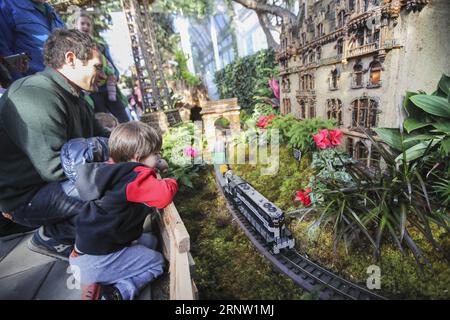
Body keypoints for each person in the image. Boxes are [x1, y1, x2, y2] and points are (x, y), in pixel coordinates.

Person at [0, 29, 110, 259]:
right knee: (115, 188)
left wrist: (138, 146)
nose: (102, 76)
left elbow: (107, 139)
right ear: (71, 59)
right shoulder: (34, 95)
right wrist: (116, 166)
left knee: (122, 179)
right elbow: (54, 168)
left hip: (54, 185)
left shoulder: (76, 98)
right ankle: (53, 236)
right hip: (25, 198)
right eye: (97, 67)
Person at [67, 121, 178, 300]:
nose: (159, 157)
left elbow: (138, 176)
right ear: (137, 157)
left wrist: (154, 165)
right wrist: (170, 180)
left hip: (84, 253)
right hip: (96, 261)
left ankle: (102, 278)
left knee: (150, 241)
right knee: (156, 262)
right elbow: (163, 195)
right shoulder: (135, 177)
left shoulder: (112, 170)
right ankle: (116, 292)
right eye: (156, 154)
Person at [73, 11, 131, 123]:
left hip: (109, 89)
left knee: (123, 118)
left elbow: (112, 67)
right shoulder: (73, 47)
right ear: (75, 26)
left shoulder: (100, 47)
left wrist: (115, 76)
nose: (85, 26)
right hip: (92, 92)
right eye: (82, 23)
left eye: (88, 24)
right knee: (102, 121)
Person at [0, 0, 65, 79]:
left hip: (59, 81)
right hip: (28, 84)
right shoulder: (6, 6)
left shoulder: (51, 12)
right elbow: (5, 53)